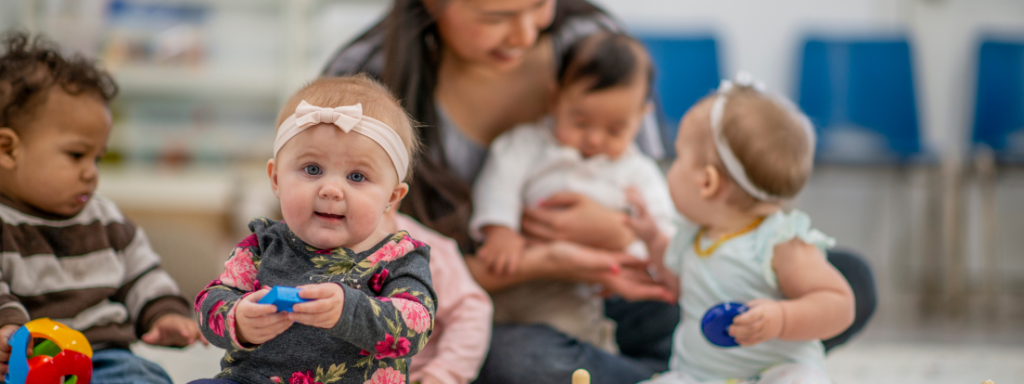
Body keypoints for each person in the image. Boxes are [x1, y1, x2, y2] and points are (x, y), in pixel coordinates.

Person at [323, 1, 875, 382]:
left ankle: (709, 358)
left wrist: (625, 235)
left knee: (843, 279)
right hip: (490, 305)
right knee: (517, 364)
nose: (525, 33)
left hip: (629, 279)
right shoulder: (364, 82)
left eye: (536, 5)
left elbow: (658, 184)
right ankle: (699, 370)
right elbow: (371, 266)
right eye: (495, 15)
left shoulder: (589, 41)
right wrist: (544, 257)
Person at [190, 75, 436, 384]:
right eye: (312, 169)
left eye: (357, 176)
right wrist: (238, 318)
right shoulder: (263, 245)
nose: (331, 189)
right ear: (276, 179)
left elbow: (416, 327)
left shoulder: (399, 257)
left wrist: (350, 309)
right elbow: (209, 301)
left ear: (392, 197)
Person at [0, 32, 202, 383]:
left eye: (97, 157)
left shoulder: (107, 220)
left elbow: (143, 276)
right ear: (8, 149)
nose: (91, 173)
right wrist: (8, 327)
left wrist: (164, 314)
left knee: (143, 376)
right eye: (77, 155)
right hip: (23, 364)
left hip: (103, 358)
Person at [629, 73, 854, 384]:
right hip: (700, 377)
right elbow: (680, 285)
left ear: (706, 182)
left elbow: (840, 303)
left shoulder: (778, 241)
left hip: (773, 373)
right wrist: (653, 238)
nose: (672, 166)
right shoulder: (692, 236)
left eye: (679, 156)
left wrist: (782, 318)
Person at [469, 32, 675, 353]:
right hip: (517, 273)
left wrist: (624, 241)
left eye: (615, 129)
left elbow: (663, 229)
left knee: (575, 332)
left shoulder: (638, 171)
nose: (594, 139)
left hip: (582, 289)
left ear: (641, 118)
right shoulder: (527, 144)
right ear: (555, 99)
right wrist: (500, 230)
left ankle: (600, 357)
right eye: (580, 121)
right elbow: (499, 183)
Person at [381, 212, 494, 384]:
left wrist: (442, 374)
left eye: (359, 182)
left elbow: (470, 309)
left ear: (395, 196)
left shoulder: (425, 246)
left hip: (416, 375)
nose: (331, 190)